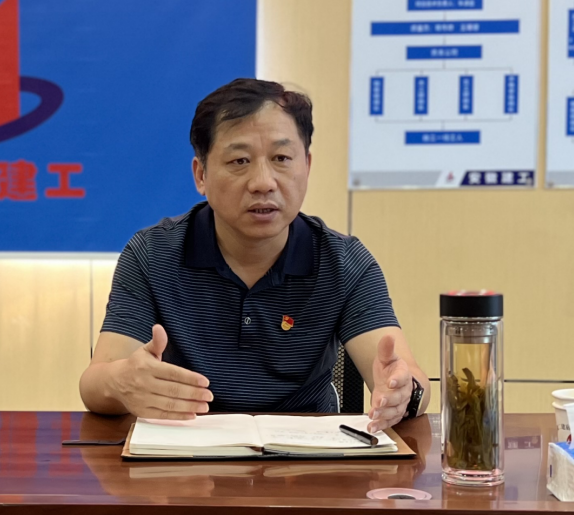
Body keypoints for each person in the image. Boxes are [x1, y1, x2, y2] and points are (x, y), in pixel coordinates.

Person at [79, 78, 430, 433]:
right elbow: (95, 384)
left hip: (309, 456)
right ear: (201, 175)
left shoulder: (344, 262)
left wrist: (404, 391)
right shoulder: (152, 255)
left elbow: (410, 379)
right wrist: (122, 382)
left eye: (281, 159)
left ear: (306, 166)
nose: (263, 182)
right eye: (240, 160)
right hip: (185, 451)